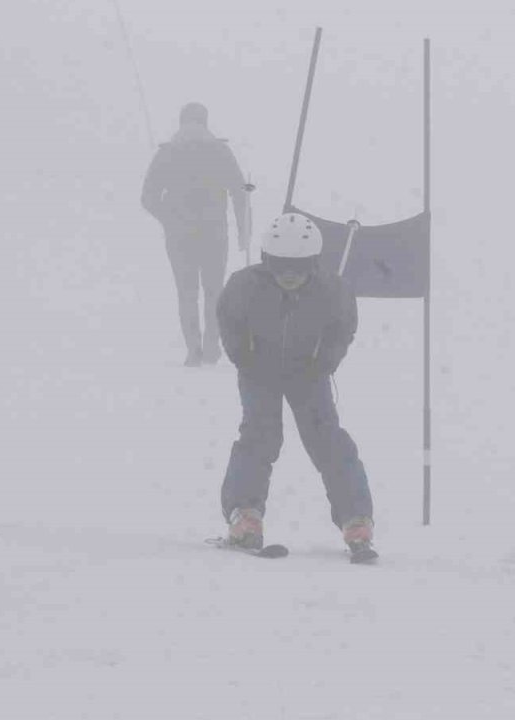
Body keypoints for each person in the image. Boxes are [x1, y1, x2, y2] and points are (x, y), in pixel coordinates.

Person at [216, 212, 376, 559]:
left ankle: (356, 517)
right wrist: (243, 355)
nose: (290, 276)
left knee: (327, 438)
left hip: (309, 372)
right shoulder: (245, 286)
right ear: (266, 261)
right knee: (260, 435)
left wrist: (325, 361)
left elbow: (343, 327)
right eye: (281, 266)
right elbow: (227, 318)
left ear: (313, 265)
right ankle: (244, 513)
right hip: (259, 370)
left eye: (299, 267)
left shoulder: (332, 291)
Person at [141, 102, 250, 366]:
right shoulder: (220, 151)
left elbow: (147, 198)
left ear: (181, 122)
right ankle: (212, 347)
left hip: (179, 238)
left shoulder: (167, 153)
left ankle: (193, 350)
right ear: (205, 122)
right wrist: (243, 232)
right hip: (215, 234)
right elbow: (239, 193)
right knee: (214, 291)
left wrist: (169, 218)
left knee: (186, 292)